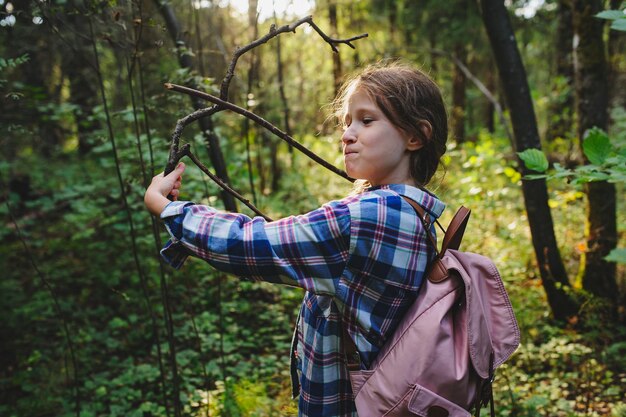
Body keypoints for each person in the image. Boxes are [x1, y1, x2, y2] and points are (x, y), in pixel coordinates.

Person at [144, 61, 448, 417]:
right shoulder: (414, 212)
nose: (348, 134)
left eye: (367, 120)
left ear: (415, 136)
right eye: (346, 121)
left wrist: (168, 210)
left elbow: (253, 244)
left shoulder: (370, 218)